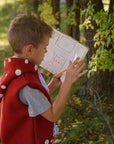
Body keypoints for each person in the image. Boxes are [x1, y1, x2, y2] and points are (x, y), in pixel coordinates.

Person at [0, 14, 88, 144]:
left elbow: (29, 103)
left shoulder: (15, 72)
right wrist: (67, 83)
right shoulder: (27, 84)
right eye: (44, 48)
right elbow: (53, 115)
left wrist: (51, 87)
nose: (46, 52)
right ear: (29, 50)